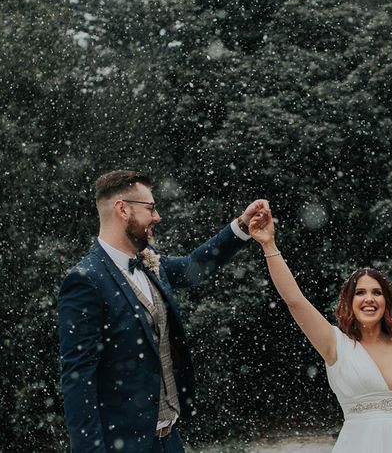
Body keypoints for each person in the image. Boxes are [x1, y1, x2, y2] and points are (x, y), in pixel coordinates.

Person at [58, 169, 269, 453]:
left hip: (170, 440)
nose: (157, 217)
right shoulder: (86, 280)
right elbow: (78, 379)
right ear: (122, 209)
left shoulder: (149, 262)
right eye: (150, 208)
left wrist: (242, 226)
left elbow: (195, 267)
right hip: (125, 446)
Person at [248, 214, 392, 453]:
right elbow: (295, 301)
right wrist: (269, 245)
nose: (369, 299)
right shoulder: (336, 345)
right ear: (349, 302)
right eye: (360, 292)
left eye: (376, 292)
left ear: (387, 301)